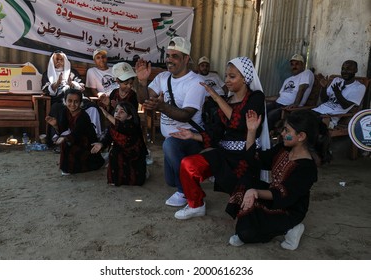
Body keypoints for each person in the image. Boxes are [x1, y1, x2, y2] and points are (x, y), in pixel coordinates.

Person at [170, 57, 268, 220]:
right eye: (227, 76)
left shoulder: (256, 97)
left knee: (245, 212)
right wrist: (192, 136)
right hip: (223, 154)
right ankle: (196, 205)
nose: (227, 80)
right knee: (188, 164)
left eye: (232, 76)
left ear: (245, 79)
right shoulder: (227, 101)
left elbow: (240, 123)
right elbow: (216, 133)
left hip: (245, 157)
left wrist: (216, 98)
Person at [226, 109, 330, 250]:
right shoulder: (284, 148)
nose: (282, 134)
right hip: (274, 195)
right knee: (244, 181)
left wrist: (255, 192)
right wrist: (251, 131)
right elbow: (256, 160)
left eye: (287, 131)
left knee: (246, 232)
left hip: (289, 209)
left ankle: (290, 229)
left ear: (301, 136)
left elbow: (283, 194)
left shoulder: (307, 168)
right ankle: (251, 225)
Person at [135, 36, 207, 207]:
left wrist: (162, 107)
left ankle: (187, 193)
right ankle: (186, 177)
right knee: (170, 181)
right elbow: (143, 100)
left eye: (175, 56)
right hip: (171, 139)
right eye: (168, 55)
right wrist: (142, 82)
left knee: (170, 146)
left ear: (186, 59)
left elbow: (186, 115)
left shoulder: (196, 82)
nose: (169, 60)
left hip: (190, 138)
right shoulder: (163, 77)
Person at [42, 50, 103, 141]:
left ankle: (94, 136)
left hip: (77, 99)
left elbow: (81, 87)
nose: (59, 61)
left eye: (61, 59)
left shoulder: (72, 72)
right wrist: (57, 83)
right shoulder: (47, 74)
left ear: (65, 60)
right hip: (60, 100)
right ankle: (60, 138)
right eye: (56, 59)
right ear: (52, 61)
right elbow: (45, 90)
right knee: (56, 108)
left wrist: (72, 84)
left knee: (93, 107)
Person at [45, 88, 104, 175]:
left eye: (76, 102)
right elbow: (63, 130)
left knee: (67, 144)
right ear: (65, 101)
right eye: (70, 101)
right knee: (66, 143)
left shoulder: (83, 116)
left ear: (80, 103)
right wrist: (56, 125)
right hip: (74, 140)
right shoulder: (65, 111)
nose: (72, 104)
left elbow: (77, 134)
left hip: (87, 146)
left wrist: (65, 138)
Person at [91, 101, 148, 186]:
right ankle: (116, 180)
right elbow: (107, 138)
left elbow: (122, 127)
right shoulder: (112, 126)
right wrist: (101, 144)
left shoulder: (132, 125)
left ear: (129, 116)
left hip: (134, 156)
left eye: (122, 112)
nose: (117, 113)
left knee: (137, 180)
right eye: (116, 111)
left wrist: (107, 115)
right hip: (120, 152)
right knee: (114, 153)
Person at [266, 54, 314, 131]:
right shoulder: (287, 80)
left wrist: (295, 104)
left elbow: (302, 89)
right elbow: (279, 96)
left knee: (271, 115)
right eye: (292, 64)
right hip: (277, 103)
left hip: (287, 108)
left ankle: (266, 140)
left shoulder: (307, 73)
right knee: (261, 109)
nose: (294, 66)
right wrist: (264, 97)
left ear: (303, 65)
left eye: (297, 64)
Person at [312, 60, 366, 128]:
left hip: (328, 118)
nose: (344, 71)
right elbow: (324, 100)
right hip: (316, 111)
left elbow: (345, 106)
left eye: (348, 69)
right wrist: (324, 88)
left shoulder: (359, 87)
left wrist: (337, 93)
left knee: (302, 123)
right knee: (297, 117)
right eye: (343, 69)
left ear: (356, 70)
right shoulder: (336, 80)